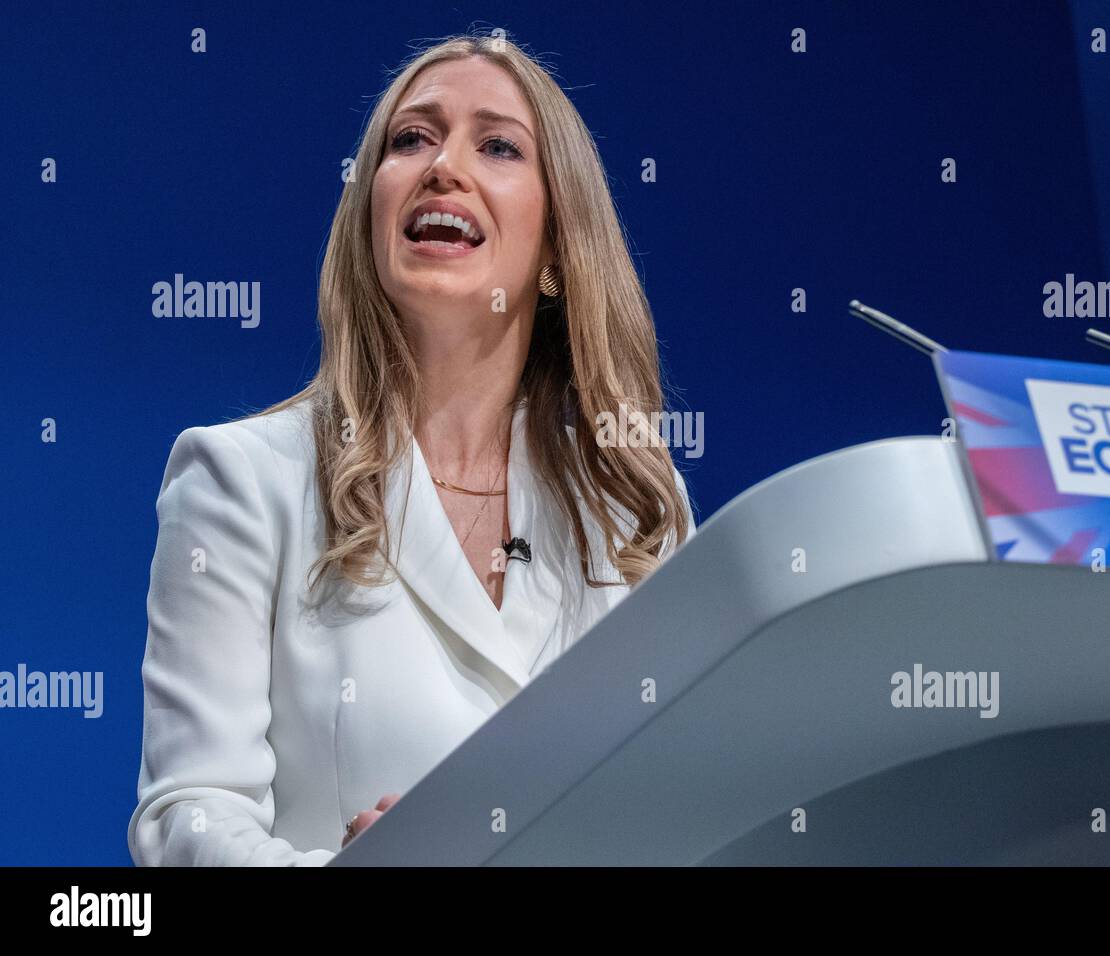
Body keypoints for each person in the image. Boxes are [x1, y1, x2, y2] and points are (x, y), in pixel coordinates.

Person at [127, 33, 695, 866]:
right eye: (410, 139)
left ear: (557, 258)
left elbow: (693, 810)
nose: (443, 167)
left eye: (498, 145)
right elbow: (189, 818)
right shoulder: (242, 480)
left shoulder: (638, 507)